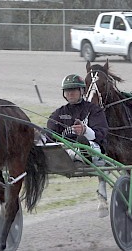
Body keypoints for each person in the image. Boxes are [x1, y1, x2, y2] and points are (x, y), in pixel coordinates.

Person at [47, 74, 110, 217]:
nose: (70, 93)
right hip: (64, 152)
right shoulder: (59, 113)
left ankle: (82, 152)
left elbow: (102, 133)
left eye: (74, 90)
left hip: (93, 151)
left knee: (86, 145)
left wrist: (85, 130)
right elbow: (49, 134)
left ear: (82, 91)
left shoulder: (93, 110)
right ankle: (76, 153)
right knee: (48, 145)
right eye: (67, 90)